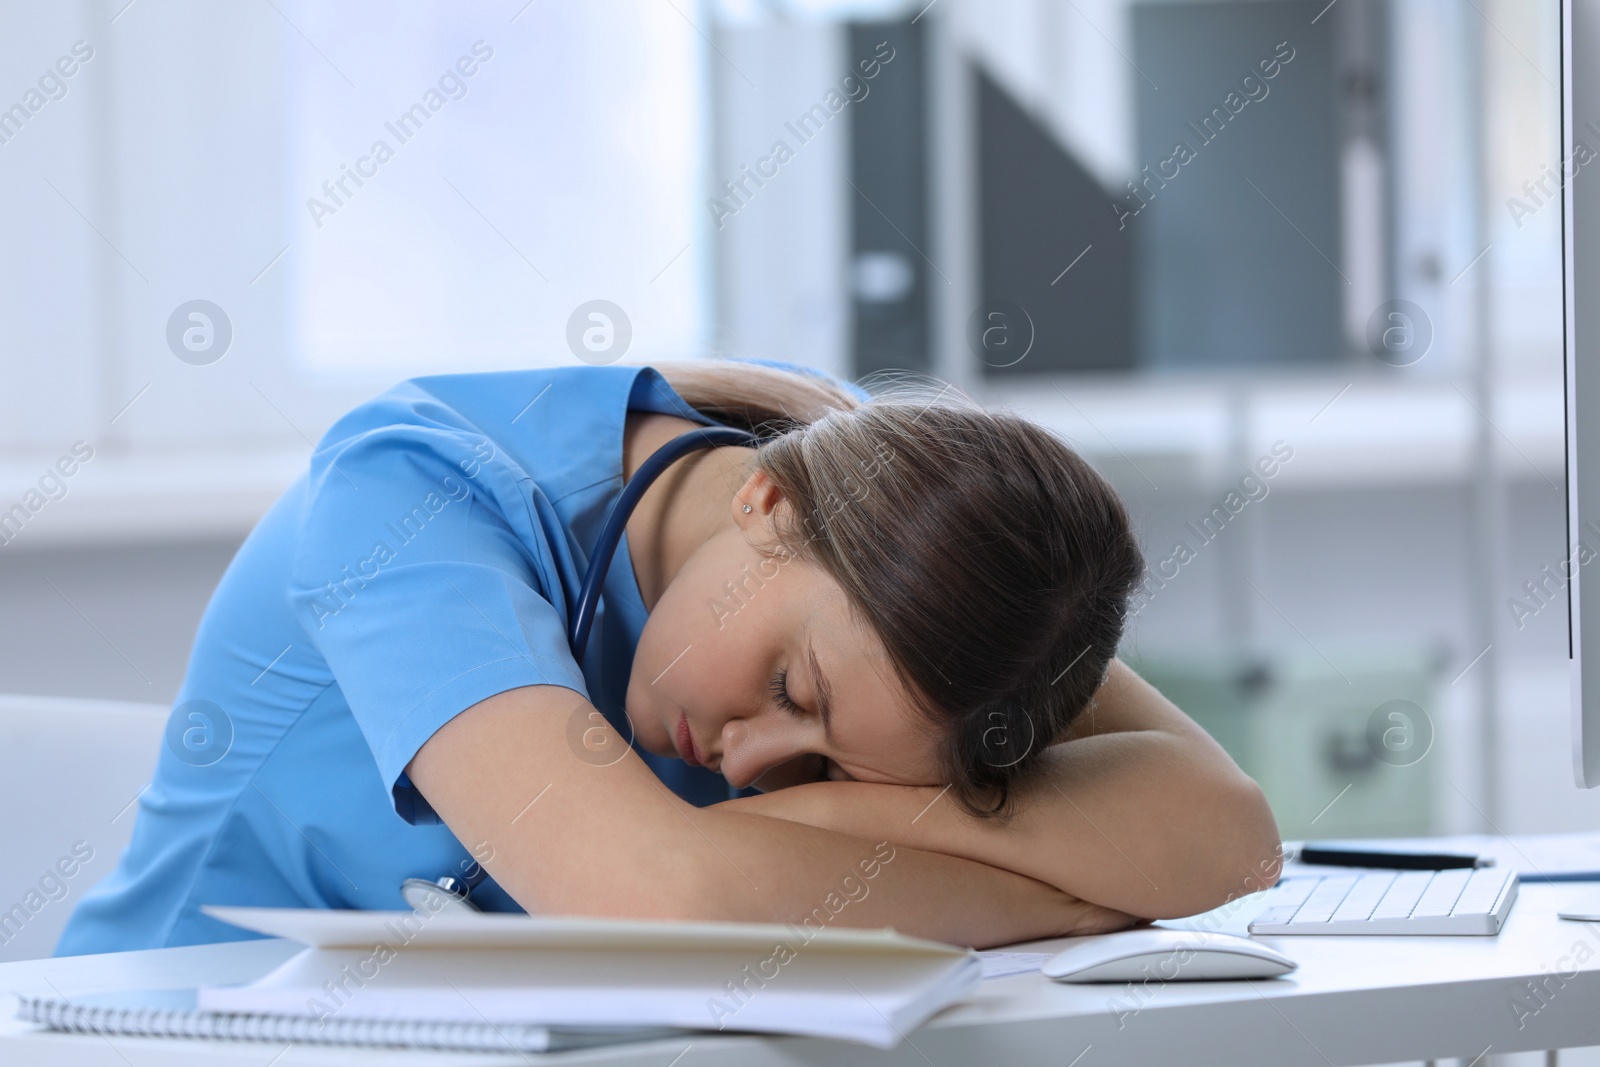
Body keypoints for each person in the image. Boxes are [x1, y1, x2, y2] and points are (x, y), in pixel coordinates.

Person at [56, 358, 1280, 956]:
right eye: (793, 691)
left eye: (832, 764)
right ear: (765, 506)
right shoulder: (410, 491)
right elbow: (659, 899)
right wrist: (1066, 886)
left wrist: (844, 817)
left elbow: (1225, 833)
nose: (753, 762)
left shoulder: (911, 547)